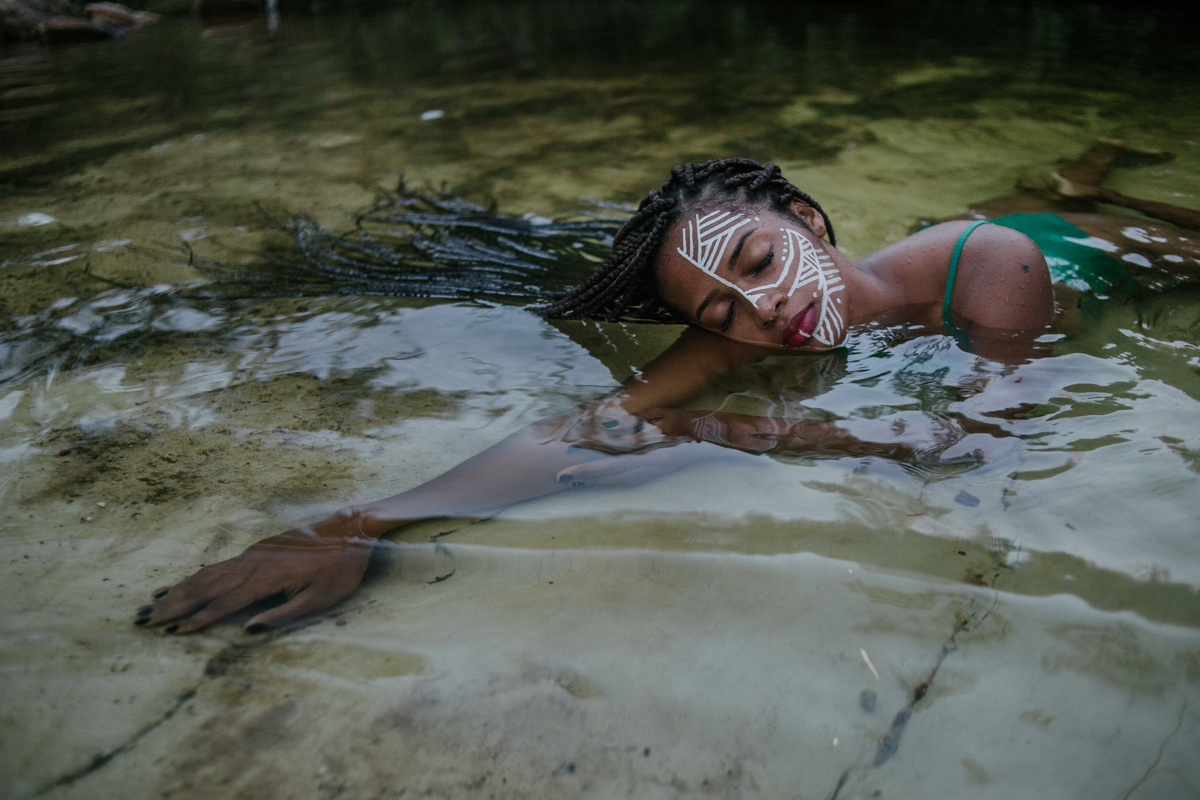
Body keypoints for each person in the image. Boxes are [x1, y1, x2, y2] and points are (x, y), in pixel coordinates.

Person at [135, 145, 1200, 634]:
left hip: (1098, 253)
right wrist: (359, 522)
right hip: (966, 254)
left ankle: (1087, 190)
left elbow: (979, 442)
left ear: (807, 218)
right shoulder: (747, 324)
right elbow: (588, 426)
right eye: (722, 312)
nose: (764, 313)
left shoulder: (997, 264)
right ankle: (1077, 169)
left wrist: (737, 434)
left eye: (760, 259)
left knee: (1143, 224)